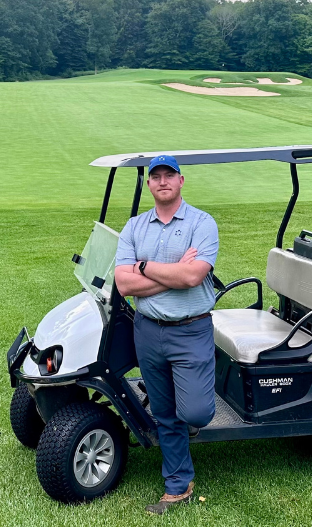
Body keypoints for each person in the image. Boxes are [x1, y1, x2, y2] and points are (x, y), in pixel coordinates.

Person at [114, 154, 219, 515]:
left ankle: (192, 409)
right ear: (149, 184)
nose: (162, 181)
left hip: (191, 331)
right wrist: (173, 271)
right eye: (155, 176)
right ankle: (179, 483)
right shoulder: (134, 227)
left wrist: (145, 268)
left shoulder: (202, 224)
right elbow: (123, 283)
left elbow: (193, 278)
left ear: (180, 181)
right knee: (164, 411)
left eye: (169, 175)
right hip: (148, 331)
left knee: (197, 412)